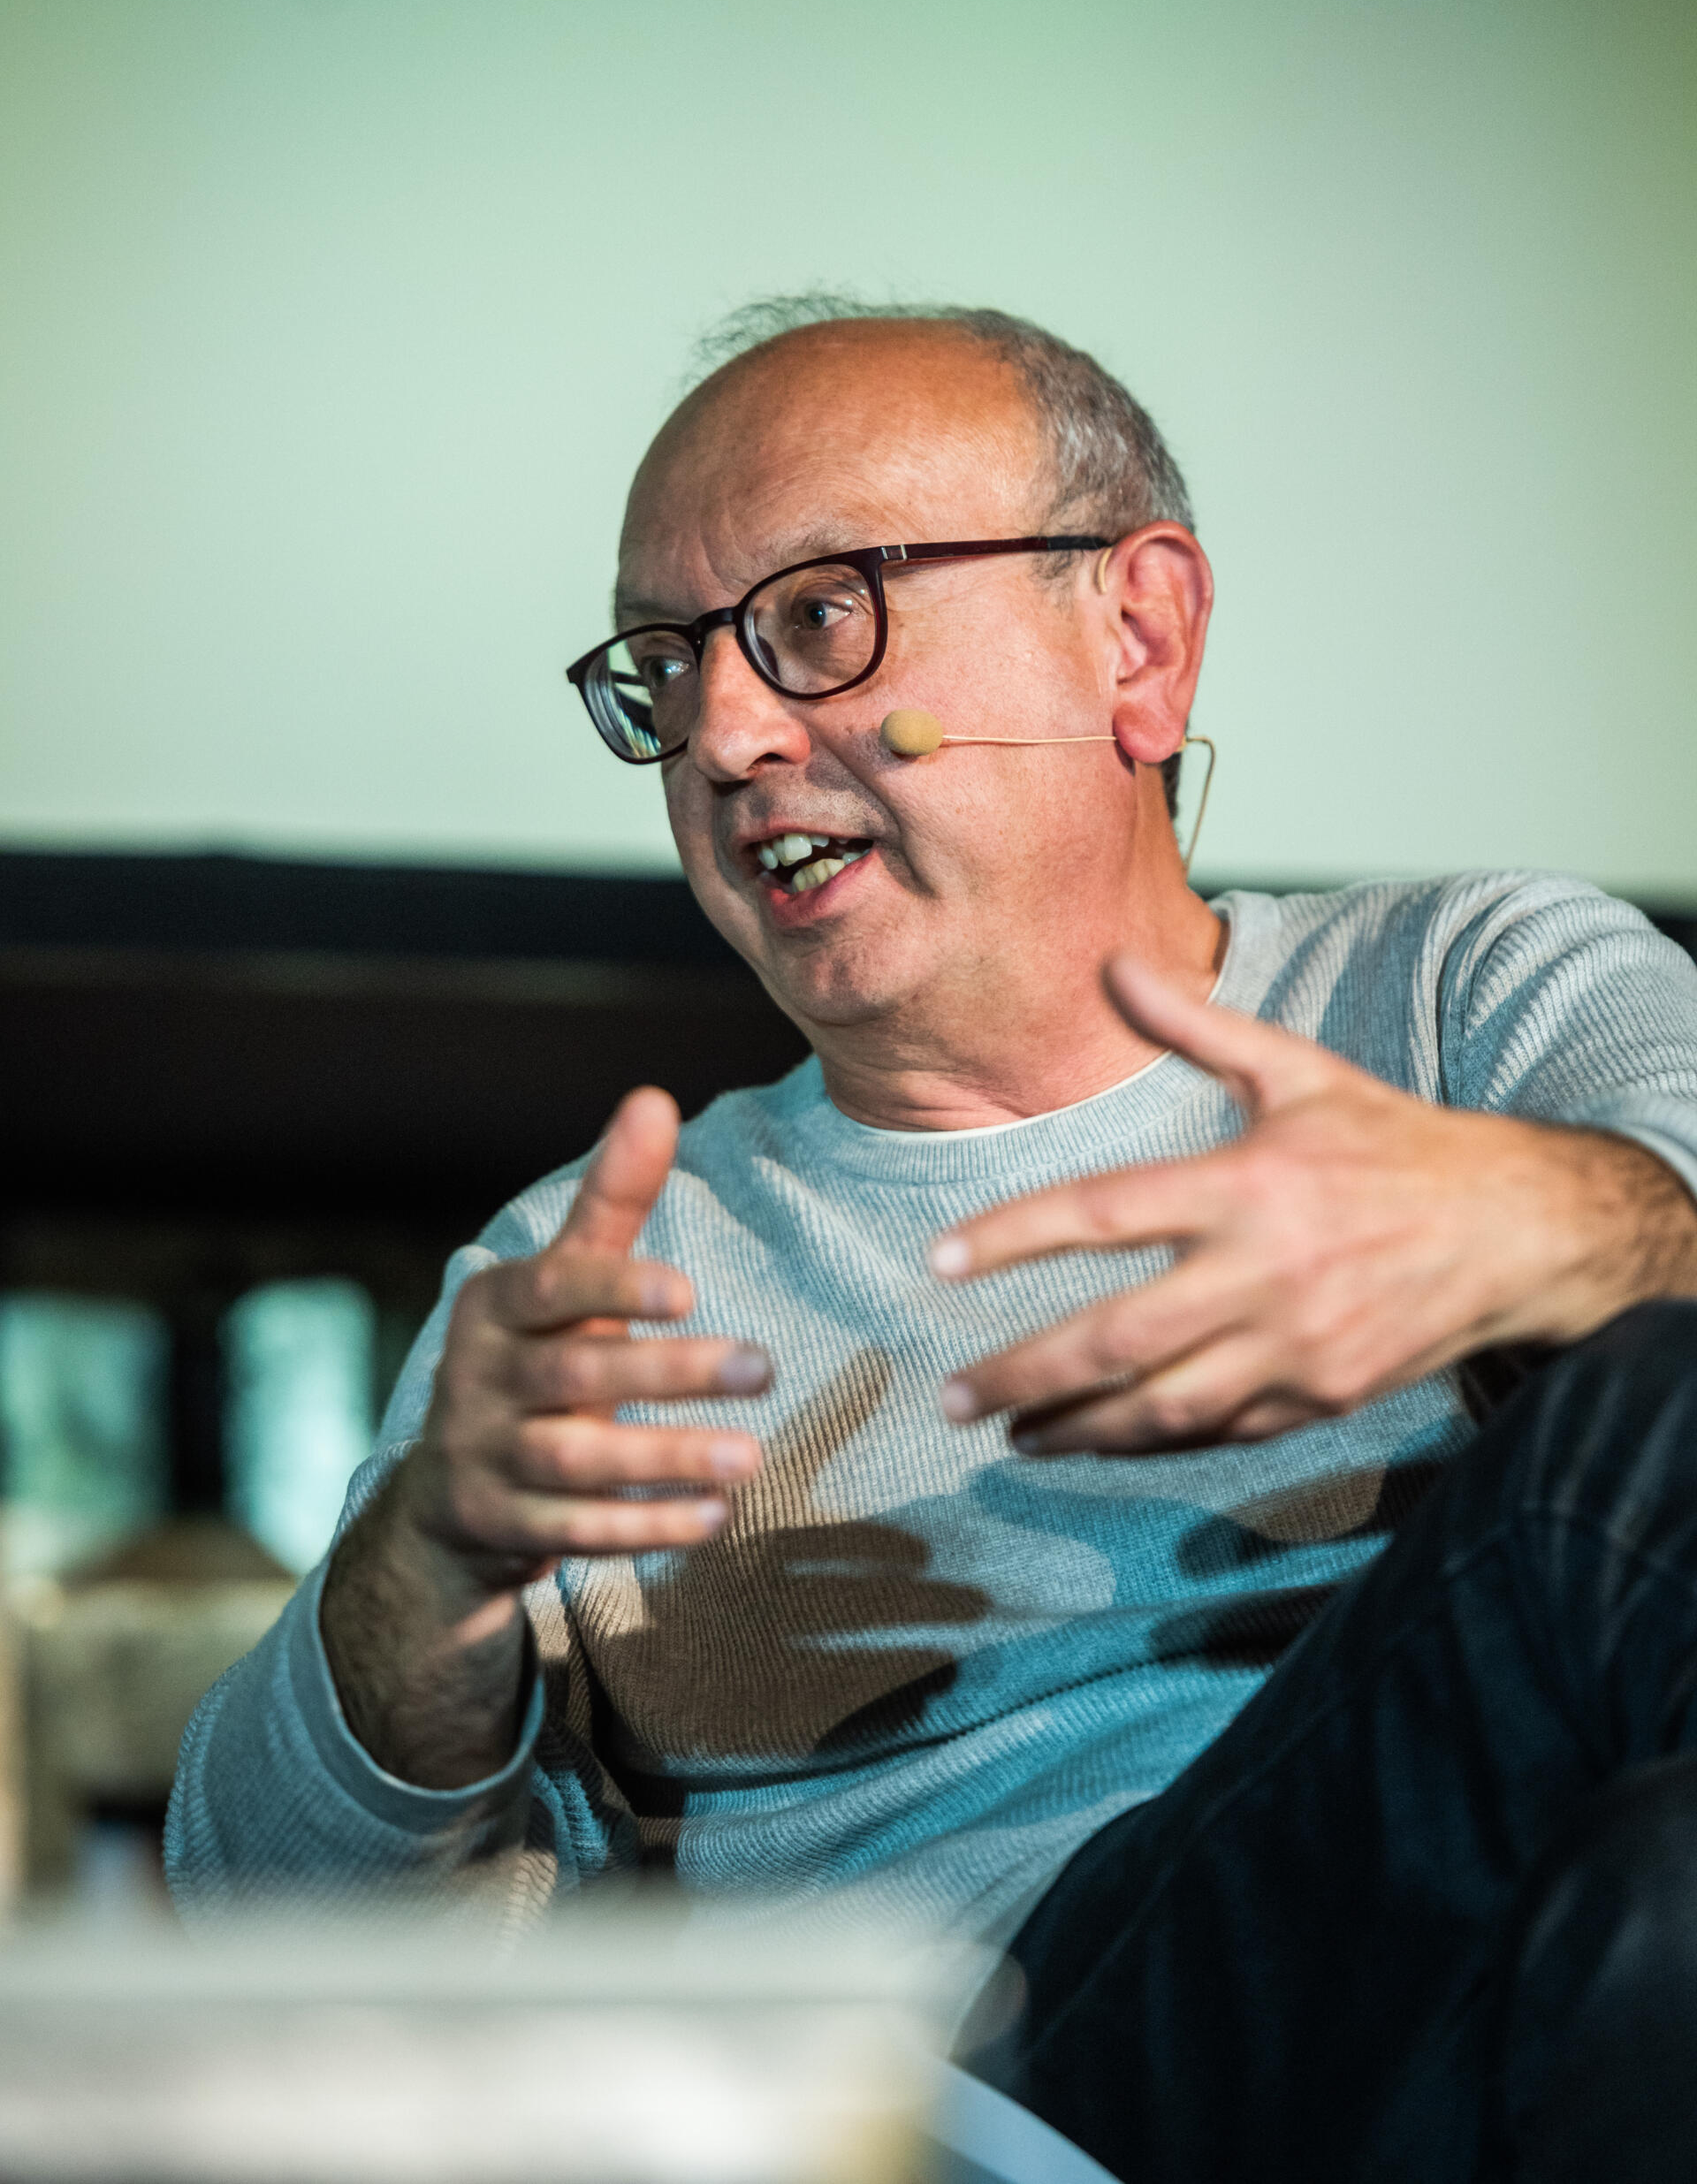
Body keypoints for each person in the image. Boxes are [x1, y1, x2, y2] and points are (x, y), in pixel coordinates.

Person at [169, 300, 1697, 2180]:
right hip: (983, 2113)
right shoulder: (596, 1271)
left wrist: (1531, 1223)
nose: (726, 735)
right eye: (669, 667)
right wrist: (422, 1570)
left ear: (1138, 640)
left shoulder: (1463, 997)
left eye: (820, 618)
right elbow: (261, 1947)